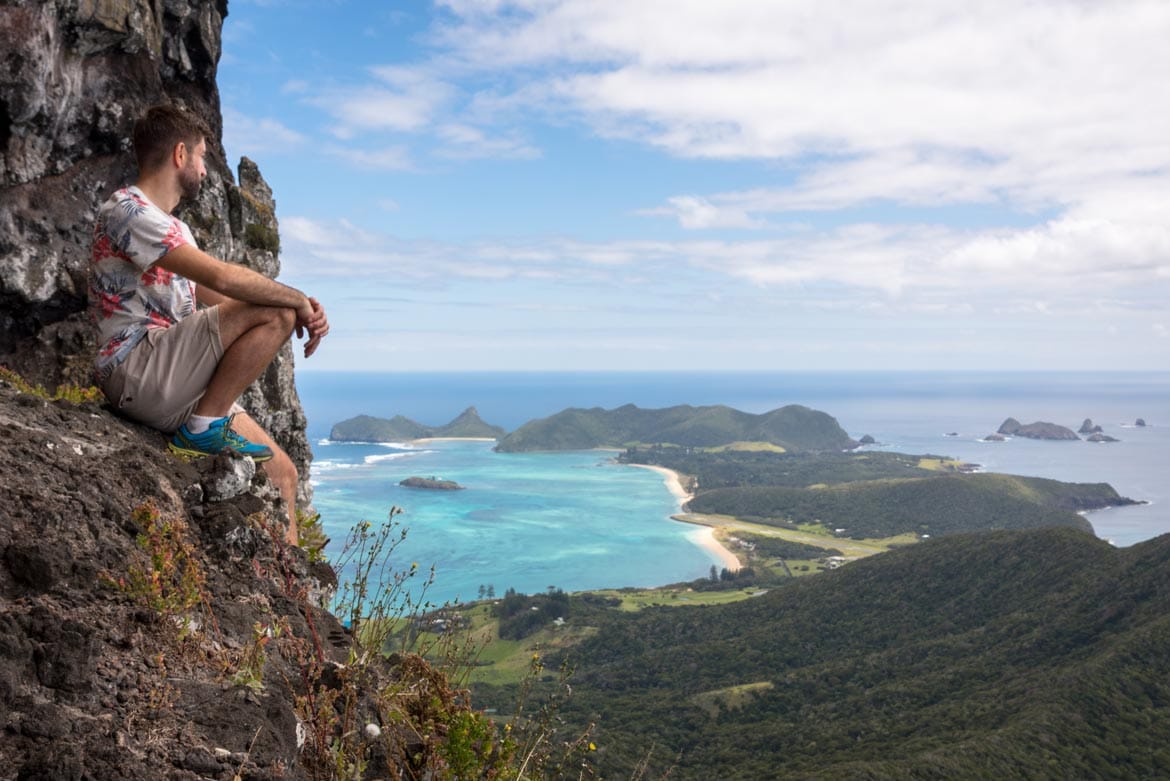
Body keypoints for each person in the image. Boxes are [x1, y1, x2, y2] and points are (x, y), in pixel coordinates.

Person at [88, 104, 328, 545]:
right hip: (139, 368)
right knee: (277, 309)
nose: (204, 168)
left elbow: (219, 298)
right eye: (201, 156)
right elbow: (221, 277)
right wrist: (295, 302)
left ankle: (294, 606)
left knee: (282, 473)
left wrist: (300, 306)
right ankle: (202, 429)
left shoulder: (174, 229)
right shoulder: (128, 211)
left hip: (177, 381)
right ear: (180, 155)